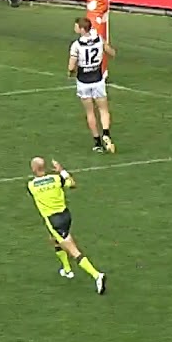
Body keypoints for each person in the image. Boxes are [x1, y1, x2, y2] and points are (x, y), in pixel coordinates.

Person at [26, 156, 107, 294]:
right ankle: (67, 269)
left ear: (33, 169)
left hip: (54, 221)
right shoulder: (57, 179)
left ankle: (96, 275)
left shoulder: (31, 186)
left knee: (73, 250)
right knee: (54, 240)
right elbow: (73, 183)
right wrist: (62, 170)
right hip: (65, 216)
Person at [69, 17, 117, 153]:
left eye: (76, 26)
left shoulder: (76, 45)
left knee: (90, 112)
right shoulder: (99, 39)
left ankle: (97, 142)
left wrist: (70, 72)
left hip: (84, 81)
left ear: (82, 29)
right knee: (103, 109)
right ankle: (106, 133)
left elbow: (71, 66)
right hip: (98, 79)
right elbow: (111, 52)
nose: (75, 28)